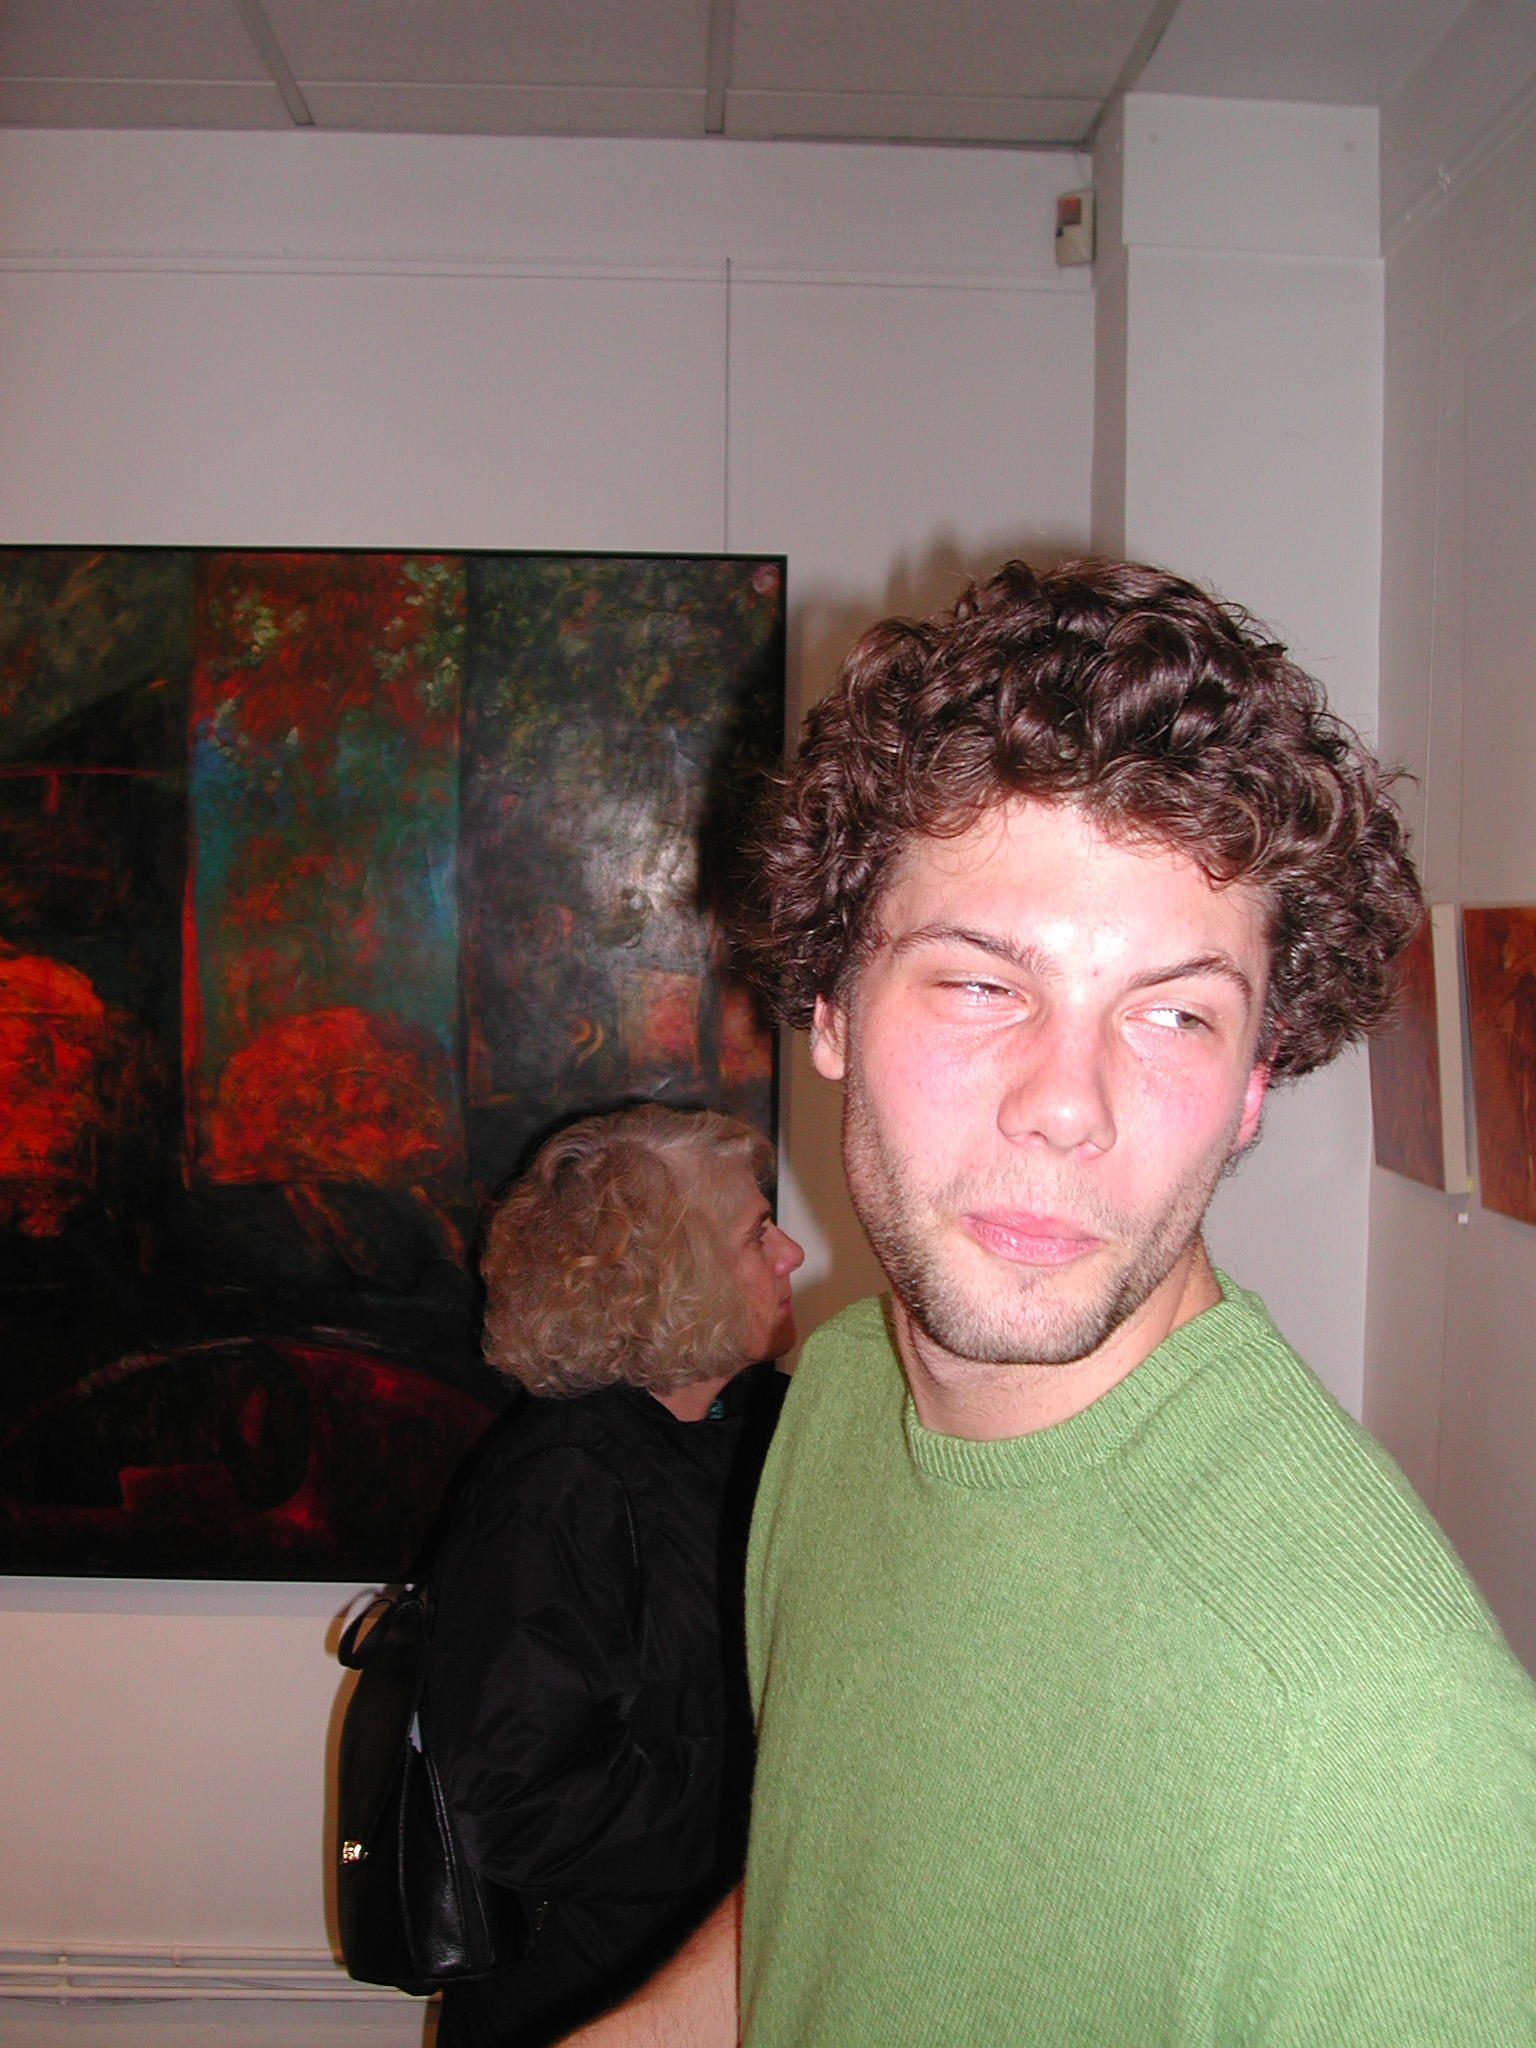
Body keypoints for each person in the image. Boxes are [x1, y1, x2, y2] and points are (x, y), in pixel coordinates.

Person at [561, 559, 1536, 2046]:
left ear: (1255, 1082)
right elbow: (833, 1910)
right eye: (980, 985)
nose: (1066, 1104)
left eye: (1174, 1012)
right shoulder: (841, 1398)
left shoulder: (1373, 1738)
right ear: (828, 1004)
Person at [422, 1104, 804, 2048]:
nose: (791, 1255)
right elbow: (515, 1807)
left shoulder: (754, 1426)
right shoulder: (561, 1489)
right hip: (592, 2002)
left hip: (726, 1971)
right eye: (757, 1234)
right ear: (675, 1274)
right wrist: (782, 1791)